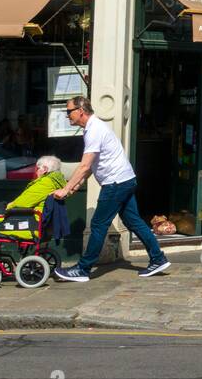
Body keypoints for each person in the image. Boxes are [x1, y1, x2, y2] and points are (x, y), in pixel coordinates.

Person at [53, 97, 171, 282]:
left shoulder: (94, 130)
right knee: (134, 222)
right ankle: (158, 259)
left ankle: (83, 269)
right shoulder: (93, 128)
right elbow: (94, 165)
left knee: (99, 225)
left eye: (69, 111)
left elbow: (85, 165)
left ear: (81, 111)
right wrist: (76, 185)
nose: (67, 115)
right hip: (125, 180)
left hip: (116, 184)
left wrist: (65, 189)